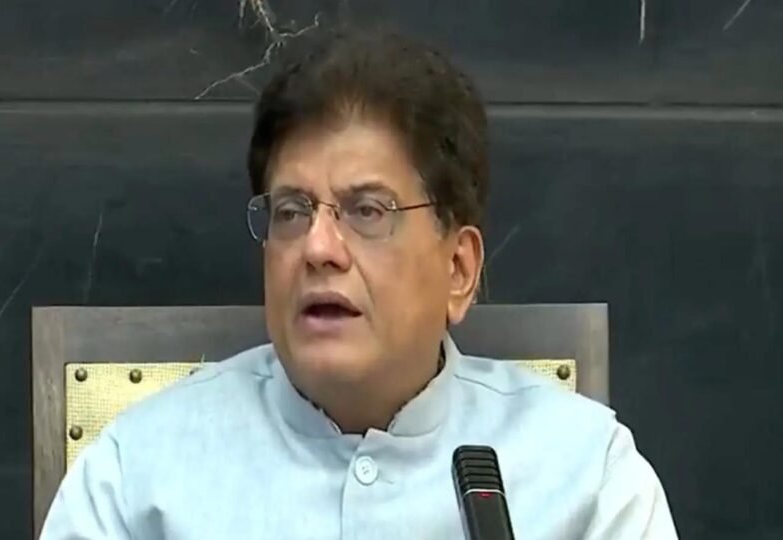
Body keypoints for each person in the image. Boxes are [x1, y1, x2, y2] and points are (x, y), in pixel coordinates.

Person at [40, 29, 678, 539]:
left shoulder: (587, 477)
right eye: (292, 211)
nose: (318, 248)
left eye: (368, 211)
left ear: (458, 270)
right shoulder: (137, 473)